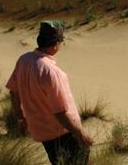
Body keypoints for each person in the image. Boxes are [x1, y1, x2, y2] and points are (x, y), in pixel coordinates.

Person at [6, 21, 93, 165]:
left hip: (42, 132)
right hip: (63, 132)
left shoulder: (24, 60)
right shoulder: (51, 72)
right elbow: (59, 111)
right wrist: (80, 133)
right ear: (56, 44)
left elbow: (14, 93)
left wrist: (21, 118)